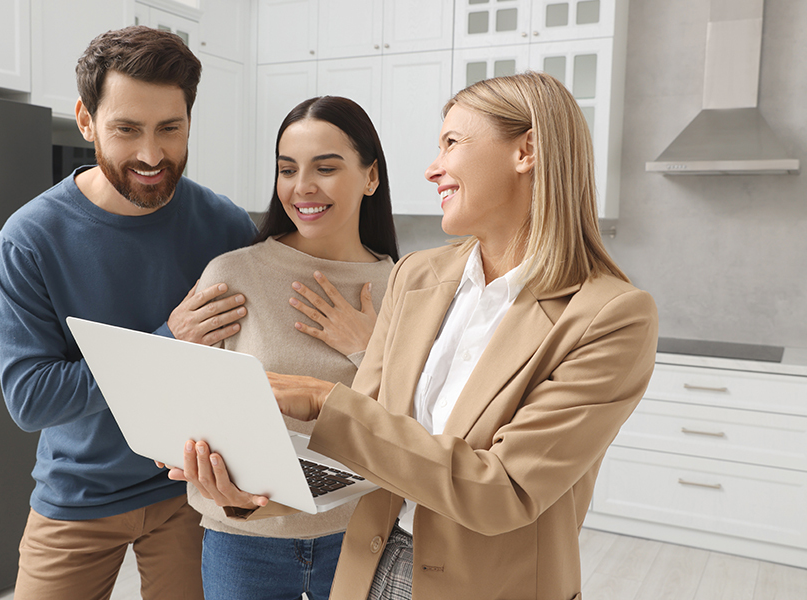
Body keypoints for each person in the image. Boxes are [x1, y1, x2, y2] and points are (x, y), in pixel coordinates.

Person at [175, 72, 660, 599]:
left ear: (527, 151)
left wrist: (322, 399)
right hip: (370, 565)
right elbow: (360, 456)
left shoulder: (610, 316)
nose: (433, 169)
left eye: (452, 143)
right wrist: (254, 494)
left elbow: (503, 491)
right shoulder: (418, 276)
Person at [0, 26, 257, 600]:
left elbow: (257, 364)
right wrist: (168, 340)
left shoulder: (227, 227)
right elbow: (32, 398)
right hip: (77, 496)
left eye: (170, 128)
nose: (152, 155)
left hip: (192, 492)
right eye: (126, 129)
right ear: (87, 121)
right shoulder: (31, 239)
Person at [185, 96, 399, 600]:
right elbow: (195, 403)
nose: (302, 187)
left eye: (326, 168)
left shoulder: (403, 285)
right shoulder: (233, 275)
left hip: (363, 534)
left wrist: (367, 350)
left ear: (371, 178)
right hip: (245, 538)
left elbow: (419, 428)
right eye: (288, 169)